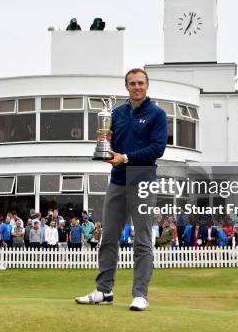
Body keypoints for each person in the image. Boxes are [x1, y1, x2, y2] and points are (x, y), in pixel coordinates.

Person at [76, 68, 167, 311]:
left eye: (141, 83)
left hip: (143, 177)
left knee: (142, 239)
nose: (137, 87)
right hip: (117, 178)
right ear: (126, 87)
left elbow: (157, 149)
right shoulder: (116, 113)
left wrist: (125, 157)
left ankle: (140, 294)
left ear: (147, 86)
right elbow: (110, 143)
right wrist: (105, 145)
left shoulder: (157, 114)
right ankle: (104, 291)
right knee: (108, 237)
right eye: (132, 84)